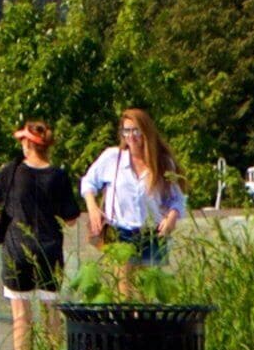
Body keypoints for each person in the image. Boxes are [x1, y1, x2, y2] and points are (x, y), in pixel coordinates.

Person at [0, 120, 82, 350]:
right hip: (49, 251)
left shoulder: (13, 171)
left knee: (21, 316)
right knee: (51, 313)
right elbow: (71, 218)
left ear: (27, 143)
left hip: (17, 250)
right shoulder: (58, 176)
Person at [81, 107, 189, 273]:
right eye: (126, 131)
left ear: (146, 132)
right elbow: (88, 182)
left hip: (152, 234)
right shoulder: (113, 157)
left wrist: (172, 217)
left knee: (147, 292)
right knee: (124, 292)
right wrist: (92, 207)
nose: (131, 136)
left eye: (135, 130)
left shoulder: (162, 163)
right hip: (120, 232)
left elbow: (177, 198)